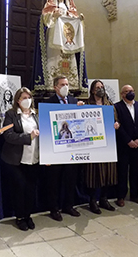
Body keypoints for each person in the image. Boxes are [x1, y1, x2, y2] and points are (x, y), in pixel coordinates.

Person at [31, 0, 88, 93]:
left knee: (69, 63)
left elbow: (74, 25)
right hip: (55, 42)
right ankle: (52, 86)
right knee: (55, 61)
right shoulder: (50, 9)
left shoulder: (69, 10)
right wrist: (54, 16)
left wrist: (79, 20)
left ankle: (71, 86)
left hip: (67, 43)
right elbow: (44, 23)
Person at [45, 75, 84, 221]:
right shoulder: (48, 102)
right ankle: (54, 208)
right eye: (62, 84)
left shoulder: (74, 101)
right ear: (56, 87)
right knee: (54, 181)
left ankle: (69, 205)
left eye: (67, 84)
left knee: (70, 178)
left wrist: (81, 110)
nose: (66, 86)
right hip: (56, 148)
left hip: (72, 148)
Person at [1, 87, 40, 231]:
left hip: (34, 158)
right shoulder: (11, 114)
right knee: (19, 189)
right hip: (17, 160)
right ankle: (19, 217)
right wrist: (28, 137)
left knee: (31, 189)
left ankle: (28, 215)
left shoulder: (36, 114)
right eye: (24, 98)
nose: (27, 100)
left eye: (29, 97)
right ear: (18, 100)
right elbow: (8, 135)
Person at [85, 80, 119, 214]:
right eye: (97, 87)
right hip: (93, 143)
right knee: (94, 173)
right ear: (93, 90)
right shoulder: (87, 104)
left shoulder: (109, 104)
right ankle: (92, 200)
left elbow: (116, 120)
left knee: (108, 172)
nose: (100, 89)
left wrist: (116, 124)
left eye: (102, 87)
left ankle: (104, 199)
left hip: (108, 143)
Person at [114, 85, 138, 207]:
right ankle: (121, 196)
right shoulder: (117, 107)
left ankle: (135, 195)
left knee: (135, 171)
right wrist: (128, 140)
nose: (130, 93)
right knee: (122, 171)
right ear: (122, 94)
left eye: (132, 91)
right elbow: (118, 126)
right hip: (124, 145)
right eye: (127, 91)